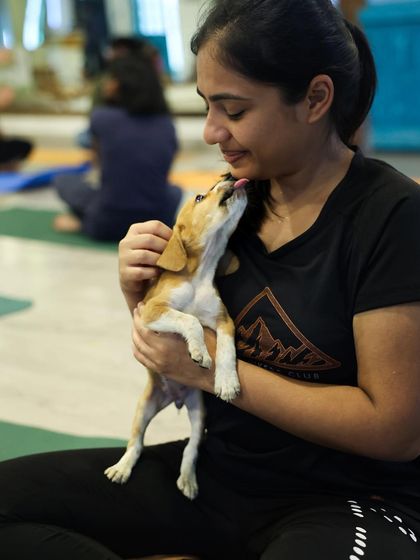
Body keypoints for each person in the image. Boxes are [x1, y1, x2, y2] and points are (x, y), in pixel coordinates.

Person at [1, 0, 420, 558]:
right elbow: (175, 353)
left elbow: (393, 431)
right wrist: (143, 294)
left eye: (234, 110)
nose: (210, 131)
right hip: (216, 474)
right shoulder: (231, 200)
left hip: (348, 497)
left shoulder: (391, 217)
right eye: (206, 106)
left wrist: (209, 367)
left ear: (316, 99)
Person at [53, 55, 182, 241]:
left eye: (109, 79)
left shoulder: (101, 117)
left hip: (106, 223)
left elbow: (97, 163)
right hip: (159, 219)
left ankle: (82, 223)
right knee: (174, 190)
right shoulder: (166, 123)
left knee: (63, 181)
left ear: (116, 85)